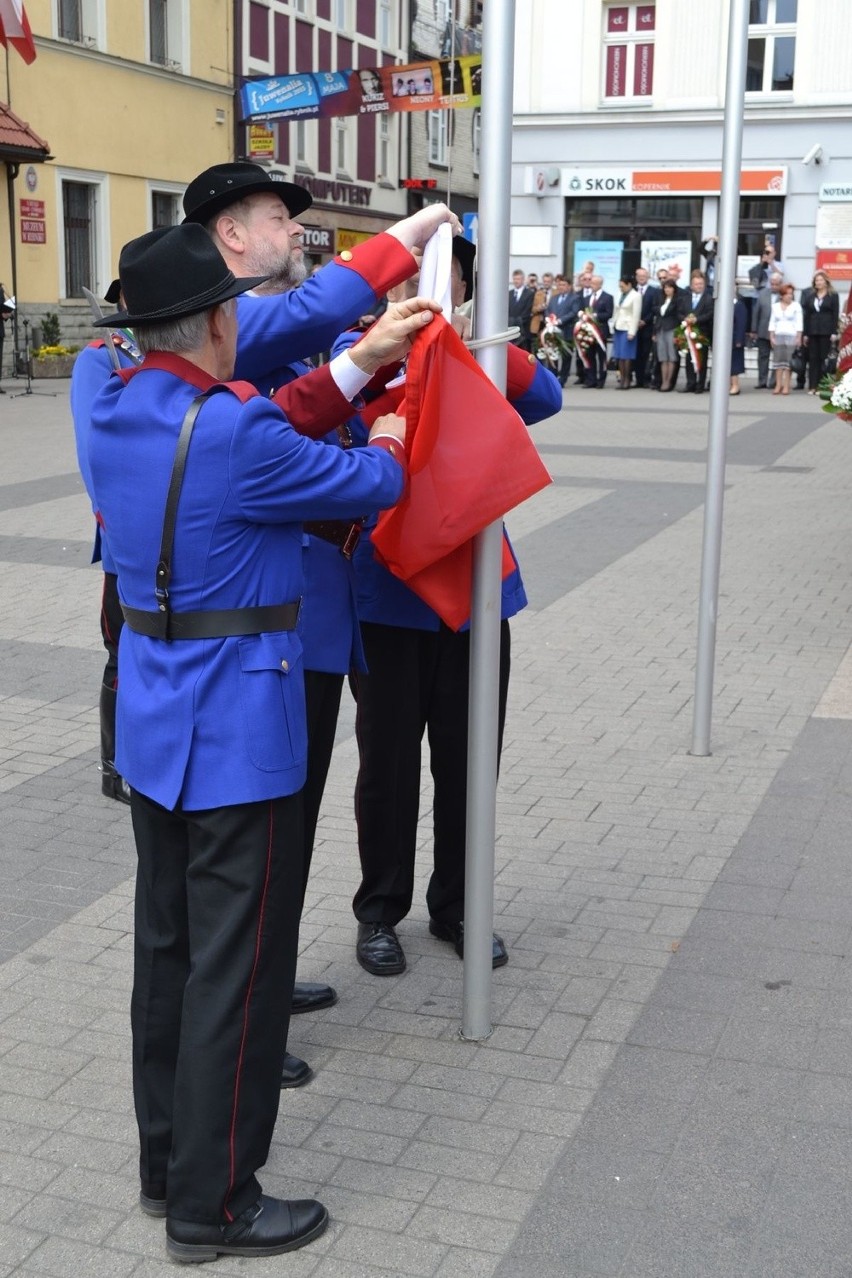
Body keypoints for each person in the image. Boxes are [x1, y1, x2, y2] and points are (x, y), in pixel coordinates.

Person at [87, 223, 436, 1262]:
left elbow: (254, 423)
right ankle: (218, 1204)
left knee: (168, 956)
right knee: (237, 975)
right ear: (222, 321)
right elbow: (373, 486)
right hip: (243, 728)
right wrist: (391, 417)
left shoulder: (101, 398)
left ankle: (167, 1169)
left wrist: (351, 360)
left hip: (155, 721)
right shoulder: (236, 431)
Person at [182, 160, 460, 1086]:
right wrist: (406, 241)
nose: (295, 233)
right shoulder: (227, 321)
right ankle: (248, 1015)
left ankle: (266, 982)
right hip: (270, 621)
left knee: (288, 825)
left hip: (316, 615)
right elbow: (309, 360)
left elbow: (314, 387)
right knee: (266, 827)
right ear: (229, 234)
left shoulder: (263, 330)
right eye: (276, 217)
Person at [331, 242, 562, 978]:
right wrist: (403, 352)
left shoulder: (479, 352)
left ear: (462, 282)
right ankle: (380, 912)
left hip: (474, 592)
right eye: (402, 273)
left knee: (469, 761)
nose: (417, 284)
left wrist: (470, 342)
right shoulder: (357, 348)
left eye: (437, 273)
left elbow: (547, 398)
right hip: (389, 592)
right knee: (387, 768)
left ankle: (460, 907)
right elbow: (351, 404)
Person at [70, 282, 143, 803]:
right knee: (122, 653)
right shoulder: (101, 358)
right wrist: (117, 525)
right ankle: (114, 766)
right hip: (127, 542)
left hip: (173, 537)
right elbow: (95, 453)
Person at [802, 270, 840, 393]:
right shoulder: (810, 296)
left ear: (826, 282)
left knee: (824, 359)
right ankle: (812, 386)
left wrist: (834, 331)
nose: (818, 282)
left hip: (826, 331)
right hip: (813, 331)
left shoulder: (833, 295)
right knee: (813, 359)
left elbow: (835, 314)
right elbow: (807, 316)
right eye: (816, 280)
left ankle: (822, 386)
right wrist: (805, 334)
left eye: (820, 280)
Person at [679, 270, 714, 394]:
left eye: (701, 284)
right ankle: (690, 383)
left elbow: (710, 314)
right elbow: (679, 312)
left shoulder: (709, 299)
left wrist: (696, 319)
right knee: (689, 360)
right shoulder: (685, 298)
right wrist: (685, 319)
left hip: (702, 334)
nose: (699, 286)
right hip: (687, 334)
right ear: (691, 285)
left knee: (701, 360)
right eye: (696, 284)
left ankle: (700, 385)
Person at [749, 271, 784, 389]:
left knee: (777, 358)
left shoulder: (785, 295)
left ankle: (773, 382)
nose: (774, 286)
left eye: (776, 284)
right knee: (762, 357)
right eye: (772, 283)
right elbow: (756, 312)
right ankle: (762, 381)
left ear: (781, 284)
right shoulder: (763, 293)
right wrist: (753, 330)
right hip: (763, 330)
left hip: (779, 332)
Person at [769, 282, 803, 396]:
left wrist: (799, 337)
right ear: (781, 295)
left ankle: (786, 386)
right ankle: (778, 385)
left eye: (791, 294)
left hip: (791, 336)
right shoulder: (775, 306)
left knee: (789, 364)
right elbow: (772, 321)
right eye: (787, 294)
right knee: (778, 363)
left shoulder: (796, 306)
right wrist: (771, 336)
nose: (790, 296)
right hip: (779, 335)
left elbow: (799, 321)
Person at [652, 277, 683, 392]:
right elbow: (657, 316)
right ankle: (663, 381)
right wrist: (654, 332)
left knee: (671, 356)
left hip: (672, 329)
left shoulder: (677, 300)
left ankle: (669, 381)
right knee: (662, 357)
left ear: (674, 289)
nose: (667, 290)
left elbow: (678, 316)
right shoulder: (661, 300)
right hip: (661, 329)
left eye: (669, 287)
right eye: (665, 287)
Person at [612, 275, 641, 389]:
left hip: (628, 328)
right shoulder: (619, 294)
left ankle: (627, 379)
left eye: (623, 286)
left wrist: (632, 331)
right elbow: (616, 310)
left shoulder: (636, 296)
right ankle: (622, 379)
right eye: (619, 286)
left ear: (629, 285)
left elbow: (636, 314)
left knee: (627, 356)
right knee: (619, 355)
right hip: (618, 326)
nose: (621, 288)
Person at [584, 275, 613, 388]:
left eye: (595, 283)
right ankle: (591, 380)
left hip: (601, 332)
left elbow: (609, 314)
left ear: (600, 284)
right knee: (590, 356)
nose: (592, 285)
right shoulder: (587, 298)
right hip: (588, 332)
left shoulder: (607, 297)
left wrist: (595, 316)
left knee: (601, 357)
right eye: (591, 283)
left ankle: (601, 380)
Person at [633, 267, 656, 388]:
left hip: (647, 327)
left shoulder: (654, 291)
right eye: (639, 276)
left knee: (646, 354)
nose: (641, 278)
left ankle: (646, 379)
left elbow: (654, 309)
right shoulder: (632, 290)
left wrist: (644, 321)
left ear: (648, 277)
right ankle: (638, 379)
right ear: (636, 277)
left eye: (644, 276)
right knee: (636, 354)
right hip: (633, 328)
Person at [508, 269, 534, 351]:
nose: (516, 281)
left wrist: (518, 321)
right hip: (511, 331)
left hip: (524, 331)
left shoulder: (529, 293)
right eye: (515, 279)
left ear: (523, 279)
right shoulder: (509, 294)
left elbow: (528, 311)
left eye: (518, 279)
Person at [729, 293, 749, 395]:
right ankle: (729, 384)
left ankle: (735, 385)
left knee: (734, 364)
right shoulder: (724, 304)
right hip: (726, 339)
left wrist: (739, 340)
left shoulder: (739, 305)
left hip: (735, 339)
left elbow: (741, 324)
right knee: (727, 364)